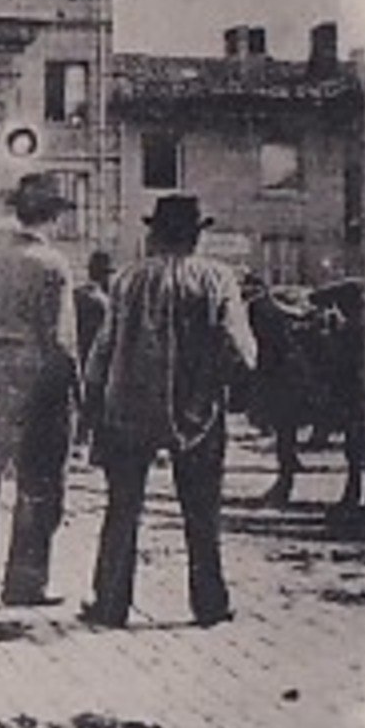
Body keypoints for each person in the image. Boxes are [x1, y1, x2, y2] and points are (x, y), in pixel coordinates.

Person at [80, 195, 257, 629]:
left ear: (154, 234)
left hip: (127, 409)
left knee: (122, 508)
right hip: (197, 412)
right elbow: (241, 352)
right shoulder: (217, 279)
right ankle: (210, 605)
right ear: (197, 236)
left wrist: (94, 399)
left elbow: (102, 350)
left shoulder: (126, 281)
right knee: (201, 511)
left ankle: (110, 605)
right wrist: (212, 381)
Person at [0, 172, 82, 606]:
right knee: (38, 479)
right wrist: (74, 394)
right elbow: (63, 341)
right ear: (53, 218)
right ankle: (25, 581)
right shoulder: (53, 265)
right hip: (39, 380)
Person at [71, 249, 114, 447]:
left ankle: (79, 438)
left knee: (78, 399)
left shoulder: (76, 295)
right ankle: (87, 440)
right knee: (95, 400)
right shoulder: (104, 302)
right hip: (95, 356)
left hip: (76, 351)